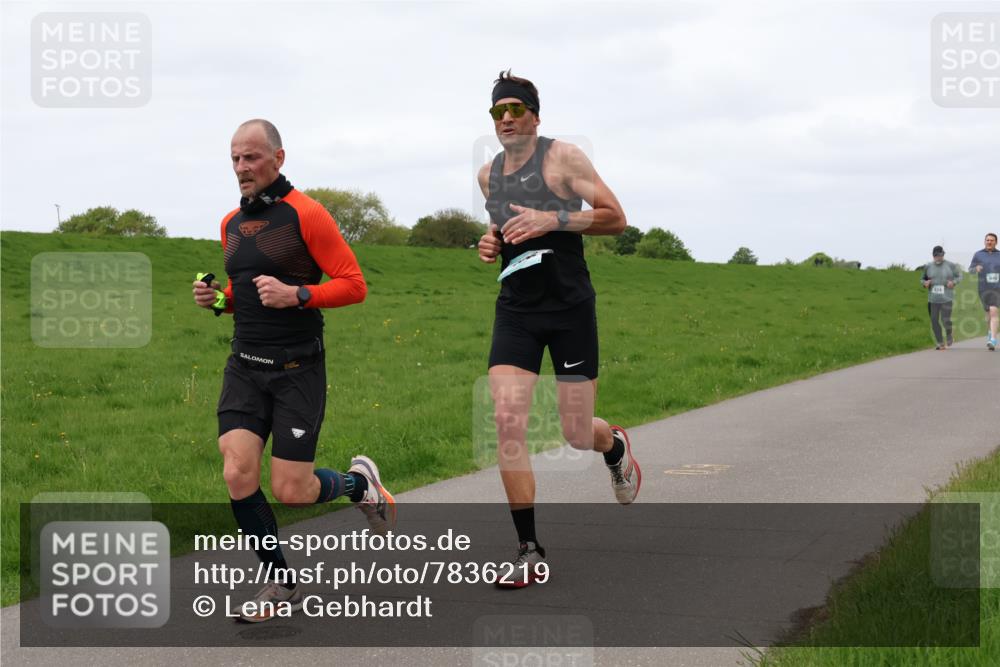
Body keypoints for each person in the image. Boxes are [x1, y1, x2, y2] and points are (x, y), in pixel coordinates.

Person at [192, 119, 395, 622]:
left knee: (292, 490)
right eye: (235, 158)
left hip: (297, 368)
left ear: (278, 159)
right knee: (237, 470)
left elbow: (354, 284)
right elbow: (248, 297)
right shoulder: (230, 225)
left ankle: (358, 485)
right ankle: (280, 584)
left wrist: (299, 294)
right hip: (245, 364)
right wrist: (219, 300)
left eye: (251, 158)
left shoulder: (308, 215)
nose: (241, 167)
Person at [476, 71, 640, 587]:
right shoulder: (488, 175)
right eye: (497, 111)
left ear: (535, 116)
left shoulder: (563, 158)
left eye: (515, 109)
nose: (506, 118)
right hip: (517, 311)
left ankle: (611, 446)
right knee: (506, 418)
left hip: (568, 308)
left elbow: (615, 217)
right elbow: (504, 229)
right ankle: (528, 549)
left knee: (574, 430)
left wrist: (554, 220)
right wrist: (490, 243)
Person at [921, 246, 961, 349]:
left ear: (943, 254)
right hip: (933, 300)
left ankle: (949, 334)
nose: (938, 257)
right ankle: (940, 342)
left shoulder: (951, 265)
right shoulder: (928, 266)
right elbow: (922, 279)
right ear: (933, 255)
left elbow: (959, 276)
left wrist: (954, 282)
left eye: (940, 255)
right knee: (934, 320)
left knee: (945, 319)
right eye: (936, 255)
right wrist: (925, 283)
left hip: (946, 298)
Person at [968, 232, 1000, 351]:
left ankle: (993, 340)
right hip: (983, 288)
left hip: (997, 288)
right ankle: (990, 333)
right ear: (984, 241)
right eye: (987, 240)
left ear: (996, 242)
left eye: (992, 240)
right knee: (988, 315)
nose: (989, 242)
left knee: (993, 311)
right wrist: (975, 268)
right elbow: (970, 270)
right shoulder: (978, 255)